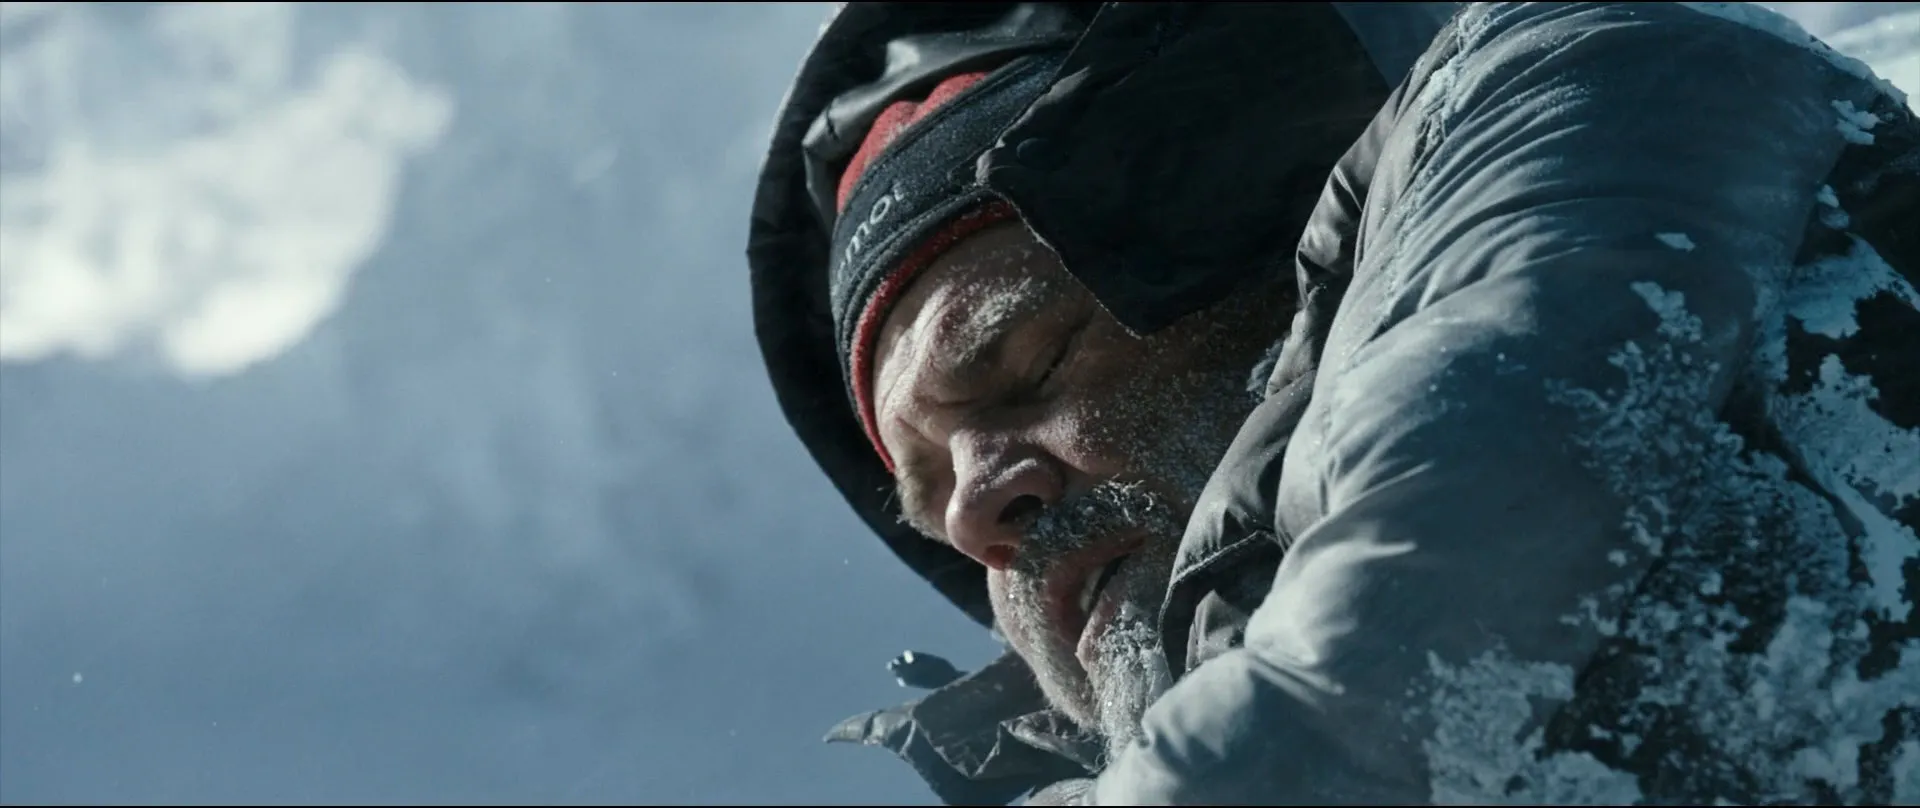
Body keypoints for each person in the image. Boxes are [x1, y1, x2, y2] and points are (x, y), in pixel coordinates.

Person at [746, 2, 1920, 805]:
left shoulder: (1568, 89)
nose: (974, 510)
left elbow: (1450, 545)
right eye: (934, 495)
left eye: (1033, 360)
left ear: (1255, 229)